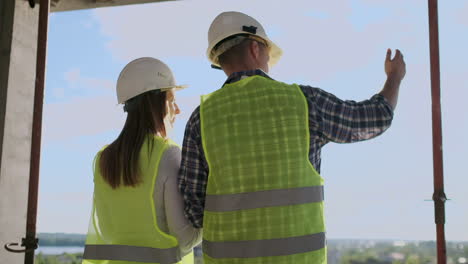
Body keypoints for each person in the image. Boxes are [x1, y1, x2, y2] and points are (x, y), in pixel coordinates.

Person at [178, 11, 406, 264]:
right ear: (255, 48)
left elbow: (194, 209)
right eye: (267, 53)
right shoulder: (304, 102)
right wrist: (394, 79)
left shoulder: (202, 118)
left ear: (220, 61)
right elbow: (373, 119)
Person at [82, 57, 201, 264]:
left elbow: (108, 233)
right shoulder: (168, 155)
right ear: (156, 103)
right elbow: (185, 239)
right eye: (172, 100)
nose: (178, 110)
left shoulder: (103, 159)